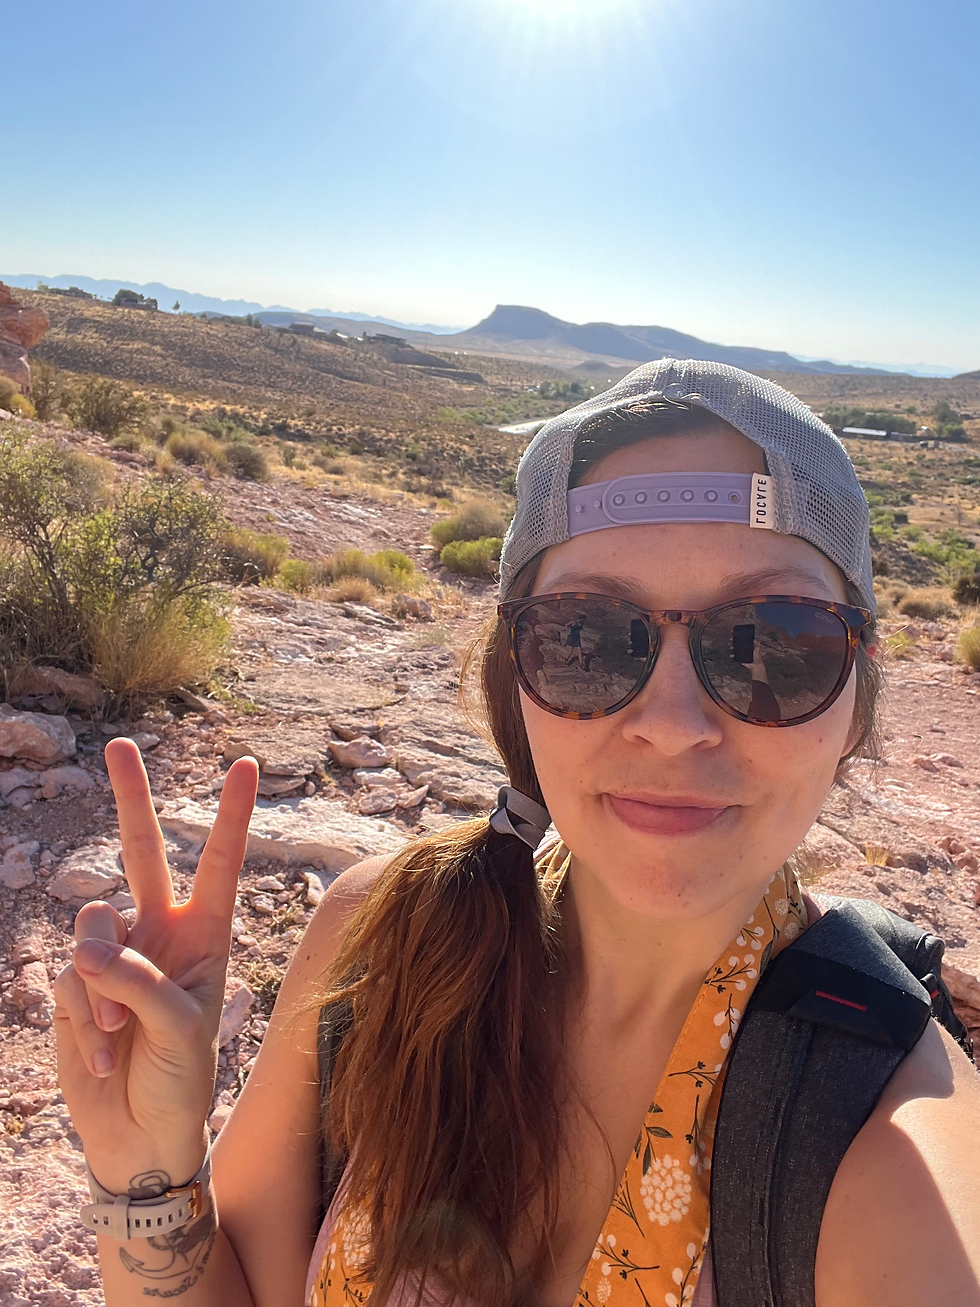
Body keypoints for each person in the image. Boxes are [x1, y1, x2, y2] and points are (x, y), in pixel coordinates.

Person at [54, 360, 980, 1307]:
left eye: (776, 642)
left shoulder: (887, 1148)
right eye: (585, 636)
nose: (671, 722)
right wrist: (147, 1165)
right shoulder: (385, 935)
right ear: (516, 682)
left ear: (857, 704)